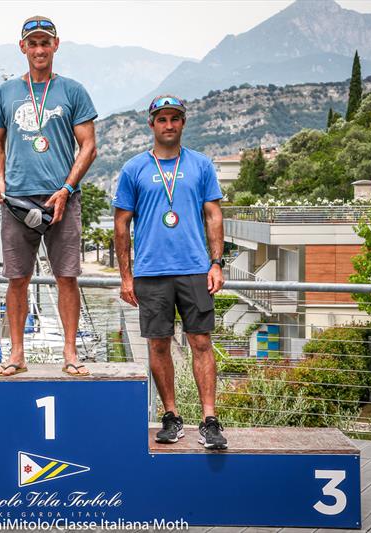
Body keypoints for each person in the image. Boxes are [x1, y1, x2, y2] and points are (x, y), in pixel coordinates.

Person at [0, 16, 97, 377]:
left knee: (67, 276)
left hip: (63, 199)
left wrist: (67, 188)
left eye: (45, 42)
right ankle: (16, 353)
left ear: (56, 45)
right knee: (17, 278)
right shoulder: (5, 94)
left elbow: (89, 146)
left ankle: (70, 352)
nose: (39, 49)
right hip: (16, 201)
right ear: (23, 48)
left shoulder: (73, 91)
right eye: (32, 43)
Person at [112, 95, 228, 450]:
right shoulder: (133, 169)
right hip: (151, 273)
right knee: (159, 345)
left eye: (175, 118)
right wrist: (126, 277)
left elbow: (214, 215)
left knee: (201, 343)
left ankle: (209, 420)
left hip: (195, 269)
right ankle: (171, 416)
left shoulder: (201, 165)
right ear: (151, 124)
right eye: (161, 119)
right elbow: (120, 226)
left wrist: (216, 263)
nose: (168, 124)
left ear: (183, 123)